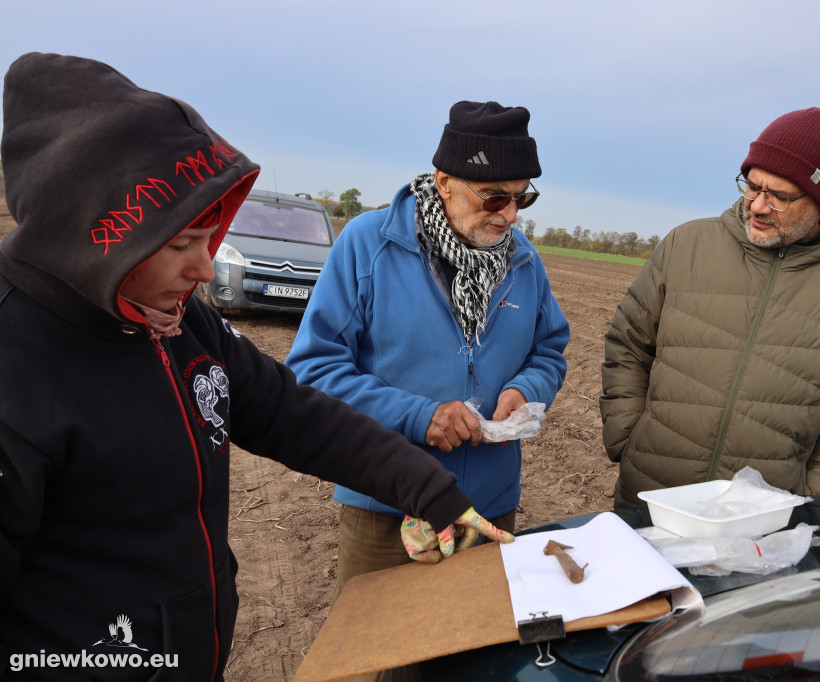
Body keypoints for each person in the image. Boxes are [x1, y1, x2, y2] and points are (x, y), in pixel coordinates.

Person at [0, 52, 510, 681]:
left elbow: (290, 413)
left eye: (209, 239)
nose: (207, 269)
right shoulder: (17, 361)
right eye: (182, 244)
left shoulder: (183, 323)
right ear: (94, 237)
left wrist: (430, 492)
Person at [286, 100, 570, 592]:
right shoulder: (366, 245)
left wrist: (526, 389)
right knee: (377, 658)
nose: (510, 216)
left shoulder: (525, 264)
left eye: (523, 199)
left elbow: (548, 351)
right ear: (443, 181)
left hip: (488, 506)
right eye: (494, 197)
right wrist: (419, 417)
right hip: (388, 502)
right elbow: (313, 369)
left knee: (476, 656)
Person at [601, 107, 820, 508]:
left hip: (765, 519)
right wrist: (626, 437)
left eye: (779, 196)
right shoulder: (685, 245)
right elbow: (628, 346)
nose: (757, 206)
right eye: (752, 186)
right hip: (651, 495)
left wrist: (815, 496)